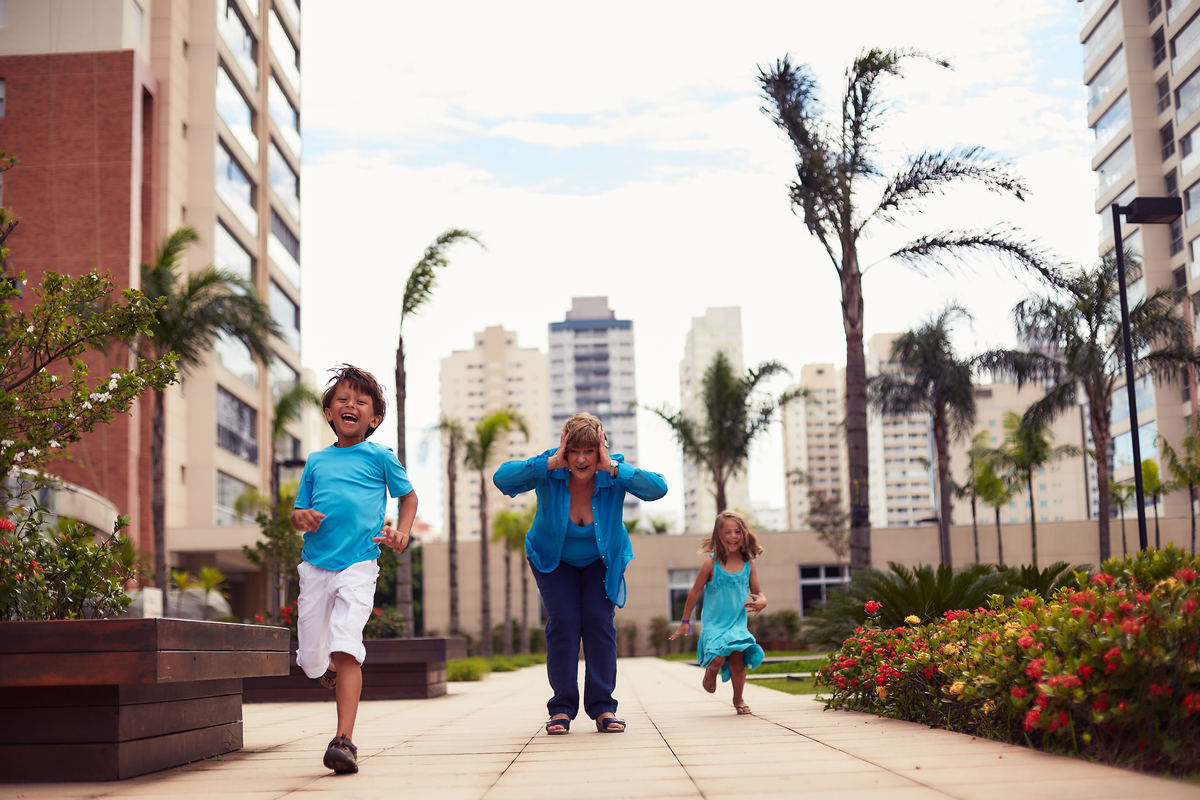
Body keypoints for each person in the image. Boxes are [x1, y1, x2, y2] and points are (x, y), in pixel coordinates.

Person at [493, 412, 667, 735]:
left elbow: (659, 488)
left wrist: (613, 467)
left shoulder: (612, 473)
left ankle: (602, 707)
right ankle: (561, 708)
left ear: (601, 448)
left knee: (599, 623)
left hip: (601, 559)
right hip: (553, 559)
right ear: (565, 450)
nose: (582, 459)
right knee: (564, 623)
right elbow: (502, 479)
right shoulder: (551, 470)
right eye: (575, 450)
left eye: (590, 450)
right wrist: (547, 463)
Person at [290, 364, 417, 774]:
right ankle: (325, 668)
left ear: (374, 419)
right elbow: (296, 514)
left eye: (361, 402)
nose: (351, 405)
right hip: (315, 567)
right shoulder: (316, 461)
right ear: (329, 412)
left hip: (360, 564)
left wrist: (403, 532)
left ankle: (344, 740)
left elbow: (408, 498)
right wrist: (302, 518)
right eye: (342, 399)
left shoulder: (380, 456)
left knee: (347, 646)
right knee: (311, 662)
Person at [669, 511, 767, 715]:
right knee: (718, 658)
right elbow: (695, 591)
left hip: (737, 623)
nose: (733, 536)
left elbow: (758, 592)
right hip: (714, 624)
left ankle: (738, 698)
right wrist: (685, 620)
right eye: (727, 532)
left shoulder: (748, 564)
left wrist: (762, 601)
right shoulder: (711, 564)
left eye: (737, 531)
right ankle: (711, 670)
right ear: (718, 537)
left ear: (744, 534)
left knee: (738, 663)